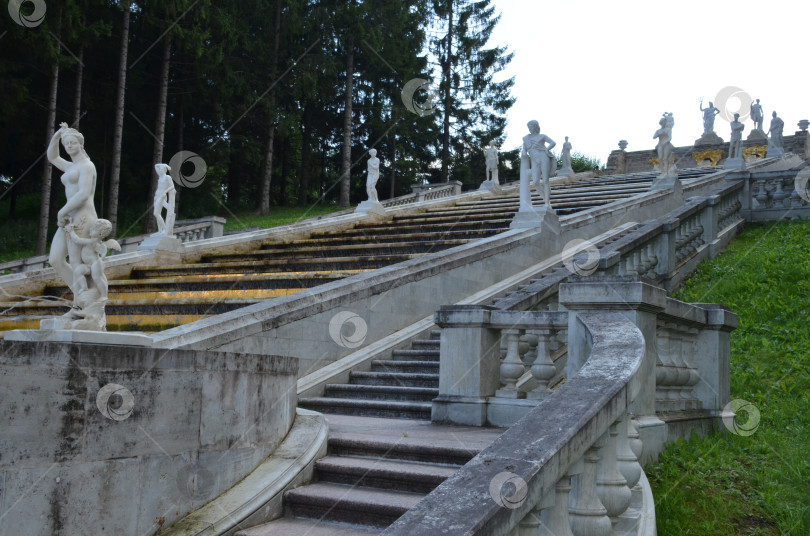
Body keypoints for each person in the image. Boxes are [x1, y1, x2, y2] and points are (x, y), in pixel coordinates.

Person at [46, 122, 99, 296]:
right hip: (69, 217)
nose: (69, 146)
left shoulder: (87, 166)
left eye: (72, 143)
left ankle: (85, 303)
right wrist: (57, 136)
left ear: (80, 144)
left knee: (77, 262)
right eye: (66, 144)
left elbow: (84, 194)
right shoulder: (71, 167)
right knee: (55, 259)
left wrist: (62, 211)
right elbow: (53, 157)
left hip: (83, 216)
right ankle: (81, 296)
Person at [64, 219, 121, 301]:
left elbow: (77, 240)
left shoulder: (93, 241)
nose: (90, 230)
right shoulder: (94, 240)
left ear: (100, 234)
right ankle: (84, 287)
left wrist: (71, 231)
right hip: (88, 265)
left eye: (93, 229)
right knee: (78, 271)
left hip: (96, 264)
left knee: (97, 278)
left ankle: (104, 295)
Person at [522, 120, 556, 207]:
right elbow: (524, 149)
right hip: (534, 160)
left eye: (531, 126)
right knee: (536, 182)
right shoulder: (526, 138)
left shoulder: (542, 136)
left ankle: (546, 203)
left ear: (536, 127)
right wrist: (524, 152)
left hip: (543, 156)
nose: (529, 128)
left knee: (545, 180)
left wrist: (547, 149)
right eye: (528, 127)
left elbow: (553, 142)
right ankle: (546, 199)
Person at [153, 163, 176, 235]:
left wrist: (165, 192)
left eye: (162, 169)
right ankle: (160, 231)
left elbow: (172, 186)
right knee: (158, 213)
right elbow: (156, 166)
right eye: (160, 169)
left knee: (156, 213)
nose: (160, 170)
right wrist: (165, 165)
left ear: (165, 170)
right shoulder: (160, 176)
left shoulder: (167, 177)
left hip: (162, 196)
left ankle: (165, 229)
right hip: (156, 196)